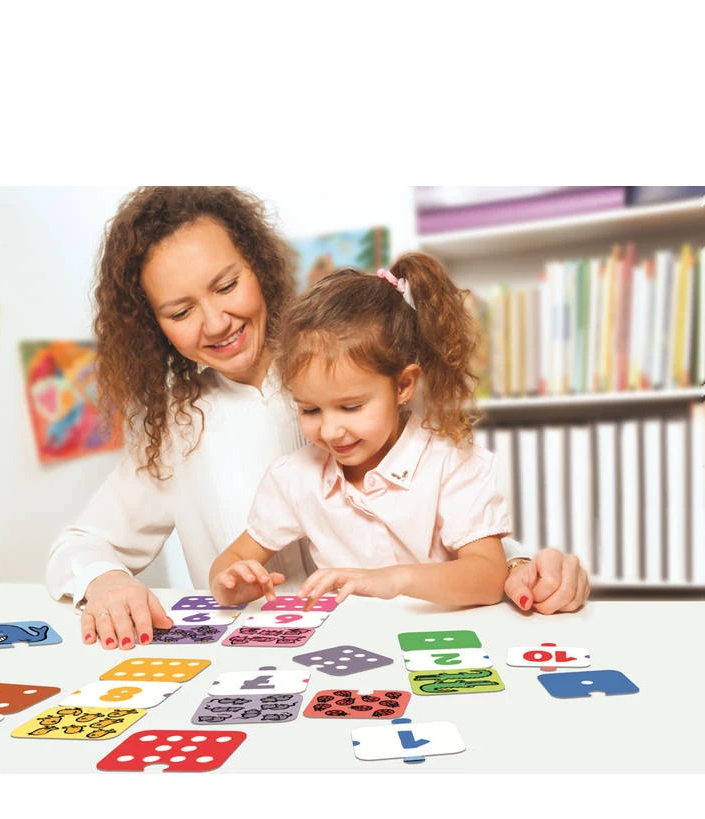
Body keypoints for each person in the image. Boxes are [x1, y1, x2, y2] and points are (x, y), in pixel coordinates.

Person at [45, 187, 590, 649]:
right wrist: (107, 582)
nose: (215, 322)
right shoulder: (177, 430)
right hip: (266, 663)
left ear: (257, 267)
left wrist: (521, 571)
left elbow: (450, 524)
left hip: (416, 644)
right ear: (154, 326)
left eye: (227, 285)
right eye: (181, 311)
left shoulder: (355, 365)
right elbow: (78, 544)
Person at [210, 259, 509, 609]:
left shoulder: (450, 462)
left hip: (437, 635)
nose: (331, 431)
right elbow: (231, 560)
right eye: (310, 410)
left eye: (351, 407)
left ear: (403, 385)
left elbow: (489, 577)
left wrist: (395, 579)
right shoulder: (294, 477)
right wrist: (230, 581)